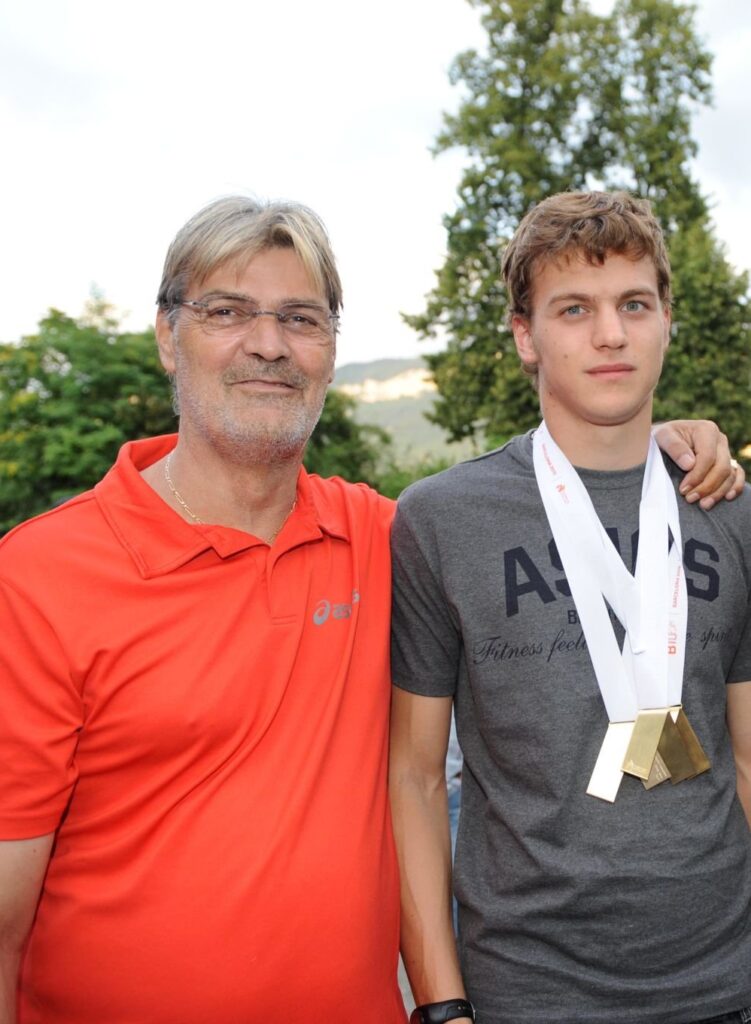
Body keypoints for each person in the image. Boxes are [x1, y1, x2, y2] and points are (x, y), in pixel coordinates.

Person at [0, 195, 741, 1024]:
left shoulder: (384, 535)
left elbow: (563, 505)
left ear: (329, 349)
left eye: (300, 318)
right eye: (226, 312)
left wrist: (666, 443)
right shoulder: (38, 577)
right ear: (168, 336)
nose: (269, 344)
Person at [389, 191, 751, 1024]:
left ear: (666, 319)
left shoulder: (725, 508)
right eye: (573, 309)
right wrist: (440, 1004)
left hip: (724, 982)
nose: (610, 334)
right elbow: (410, 779)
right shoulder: (442, 518)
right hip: (527, 986)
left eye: (633, 303)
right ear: (525, 336)